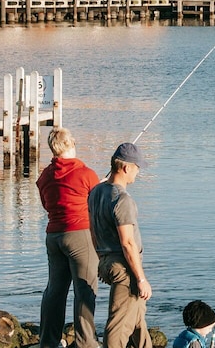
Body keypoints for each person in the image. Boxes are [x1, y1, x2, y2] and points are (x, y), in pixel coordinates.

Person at [37, 128, 100, 348]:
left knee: (55, 289)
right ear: (72, 143)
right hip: (79, 234)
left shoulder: (45, 176)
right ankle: (86, 342)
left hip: (54, 235)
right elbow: (97, 204)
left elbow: (46, 204)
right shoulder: (86, 173)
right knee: (84, 289)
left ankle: (48, 340)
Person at [90, 143, 152, 348]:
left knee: (136, 318)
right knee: (118, 325)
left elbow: (92, 231)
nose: (138, 171)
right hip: (124, 267)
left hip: (106, 261)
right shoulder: (122, 199)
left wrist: (101, 259)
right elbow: (127, 243)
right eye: (137, 167)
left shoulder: (96, 192)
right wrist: (141, 278)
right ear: (126, 168)